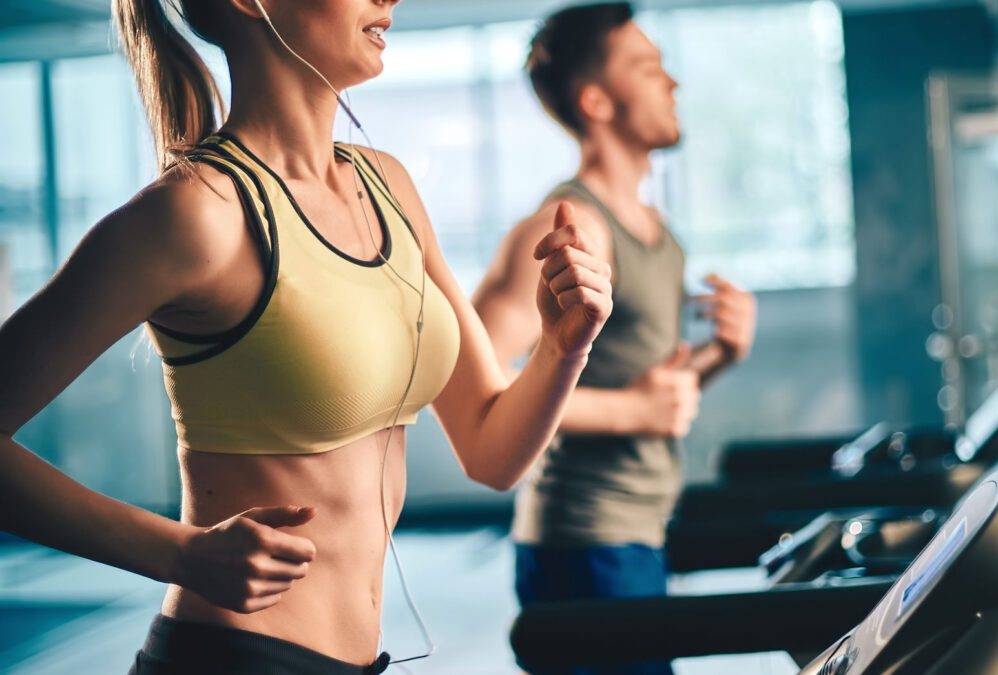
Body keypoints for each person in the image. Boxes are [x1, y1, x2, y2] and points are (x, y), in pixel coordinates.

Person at [0, 0, 615, 673]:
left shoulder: (390, 187)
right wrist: (178, 552)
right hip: (233, 658)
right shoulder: (195, 216)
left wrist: (564, 345)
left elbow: (492, 450)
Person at [472, 4, 757, 673]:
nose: (673, 83)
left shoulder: (659, 234)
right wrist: (631, 410)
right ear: (595, 100)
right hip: (581, 543)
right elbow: (473, 374)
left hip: (637, 535)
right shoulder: (573, 224)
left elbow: (650, 392)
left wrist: (720, 354)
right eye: (648, 68)